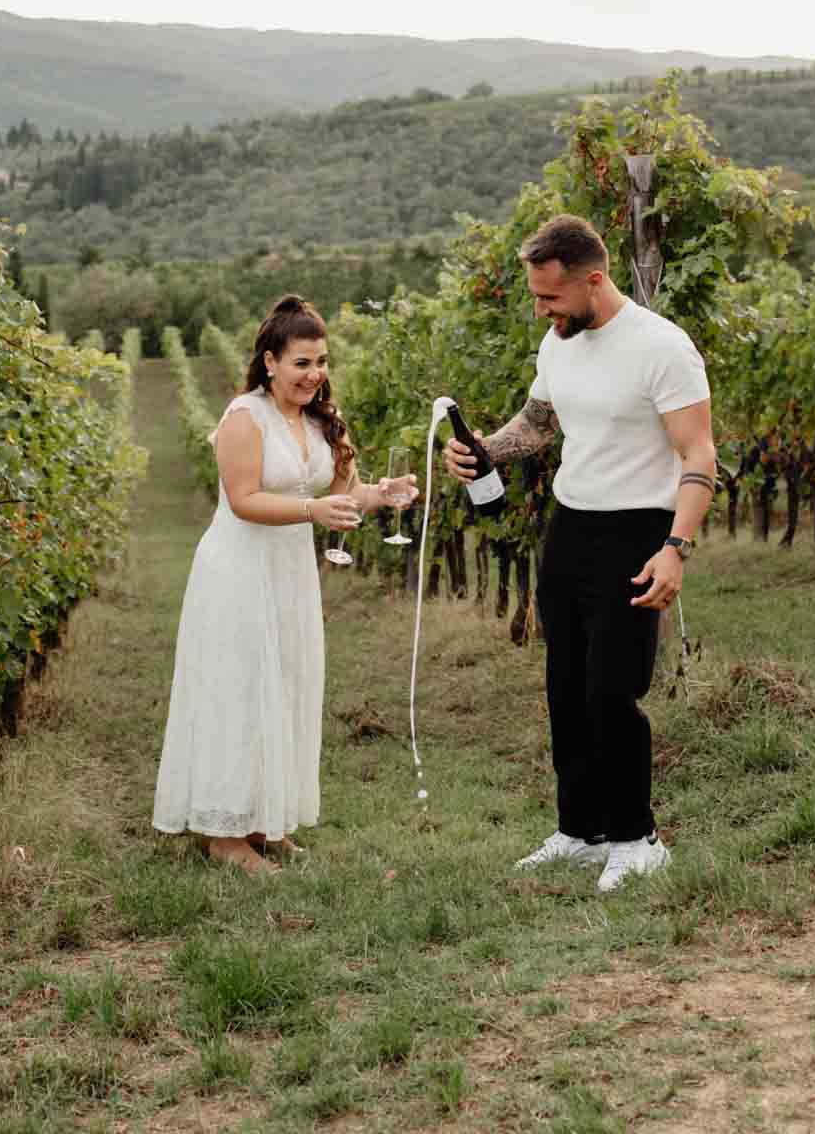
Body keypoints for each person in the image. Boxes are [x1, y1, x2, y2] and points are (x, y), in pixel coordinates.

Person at [446, 215, 716, 892]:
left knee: (612, 688)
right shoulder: (559, 339)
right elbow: (538, 424)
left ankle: (637, 836)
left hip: (638, 528)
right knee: (565, 685)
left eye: (551, 297)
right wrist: (485, 449)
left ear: (594, 280)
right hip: (571, 525)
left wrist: (675, 548)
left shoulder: (662, 348)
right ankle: (580, 830)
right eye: (537, 297)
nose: (542, 309)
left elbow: (698, 452)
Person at [153, 296, 416, 874]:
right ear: (270, 362)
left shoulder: (319, 420)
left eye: (321, 361)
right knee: (238, 690)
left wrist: (382, 492)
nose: (314, 374)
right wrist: (314, 511)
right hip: (237, 571)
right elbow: (245, 501)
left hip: (290, 573)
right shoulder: (244, 417)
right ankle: (223, 836)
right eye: (301, 362)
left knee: (286, 685)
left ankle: (263, 823)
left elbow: (343, 496)